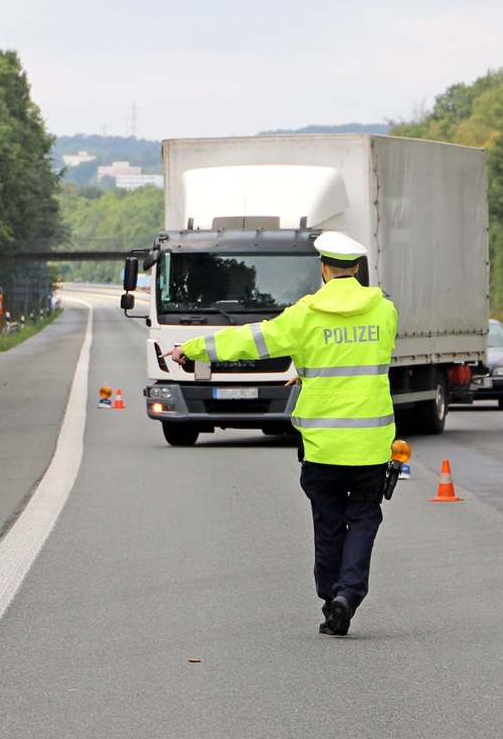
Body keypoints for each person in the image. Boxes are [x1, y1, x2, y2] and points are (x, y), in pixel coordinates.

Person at [169, 231, 397, 636]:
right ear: (358, 269)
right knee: (363, 518)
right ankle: (350, 594)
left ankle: (332, 600)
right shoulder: (384, 312)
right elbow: (356, 361)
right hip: (370, 443)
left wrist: (196, 348)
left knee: (328, 521)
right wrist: (306, 374)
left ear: (323, 269)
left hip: (323, 444)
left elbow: (249, 341)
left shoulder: (304, 315)